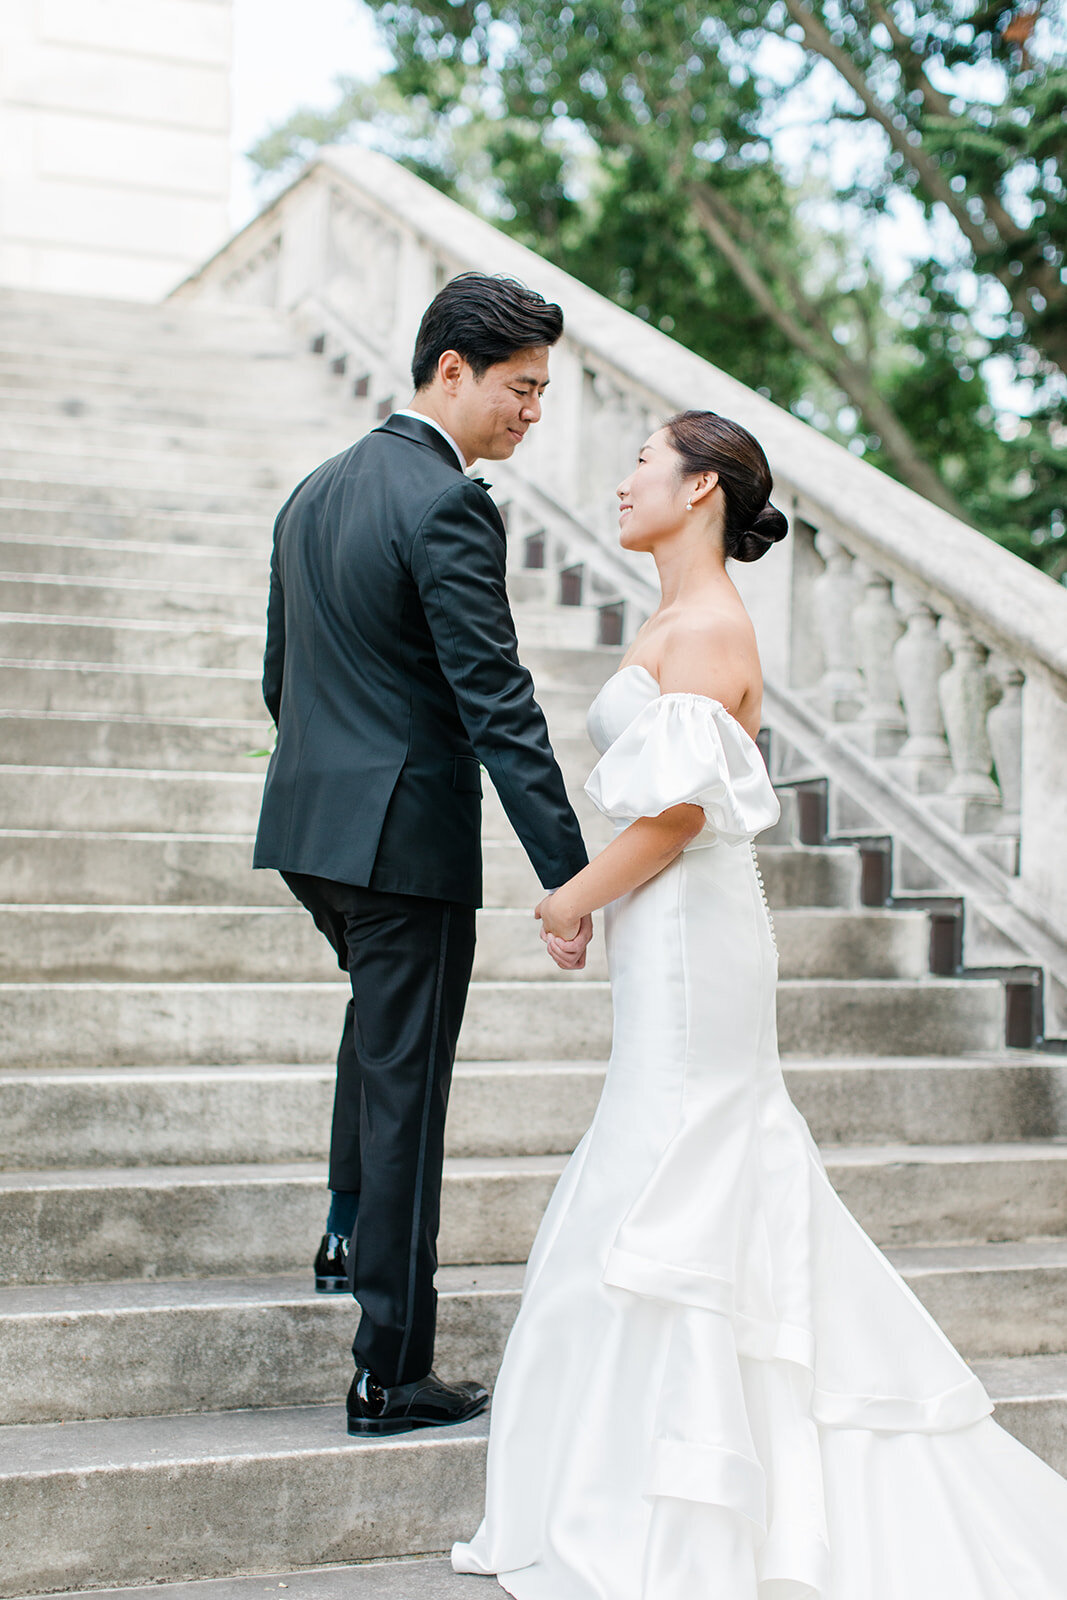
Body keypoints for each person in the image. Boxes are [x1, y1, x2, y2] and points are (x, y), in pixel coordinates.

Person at [453, 410, 1067, 1595]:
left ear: (698, 492)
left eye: (641, 462)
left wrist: (569, 895)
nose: (622, 478)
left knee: (671, 1164)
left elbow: (679, 814)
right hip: (673, 928)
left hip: (694, 936)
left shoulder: (710, 624)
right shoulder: (674, 617)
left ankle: (680, 1512)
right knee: (668, 1167)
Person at [253, 272, 592, 1437]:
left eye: (542, 389)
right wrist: (569, 872)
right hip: (402, 841)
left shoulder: (312, 491)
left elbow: (277, 678)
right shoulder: (449, 504)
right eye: (521, 385)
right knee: (409, 1088)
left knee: (375, 1031)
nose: (532, 410)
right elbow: (496, 700)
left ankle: (347, 1228)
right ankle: (389, 1370)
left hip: (311, 829)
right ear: (452, 368)